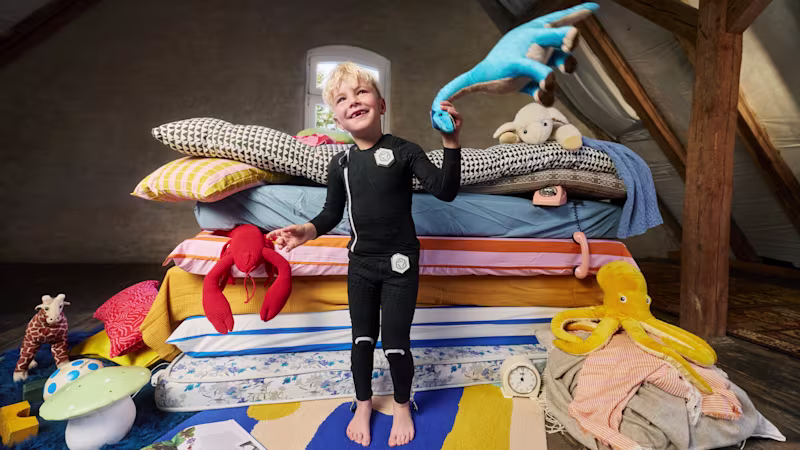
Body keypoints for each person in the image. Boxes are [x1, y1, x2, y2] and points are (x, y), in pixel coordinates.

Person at [268, 62, 462, 447]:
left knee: (395, 341)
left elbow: (445, 190)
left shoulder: (405, 151)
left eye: (361, 92)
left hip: (399, 266)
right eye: (341, 98)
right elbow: (330, 214)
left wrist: (451, 143)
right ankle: (363, 403)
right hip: (360, 265)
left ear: (381, 103)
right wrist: (304, 232)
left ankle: (403, 405)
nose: (352, 101)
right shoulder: (338, 163)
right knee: (361, 341)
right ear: (337, 117)